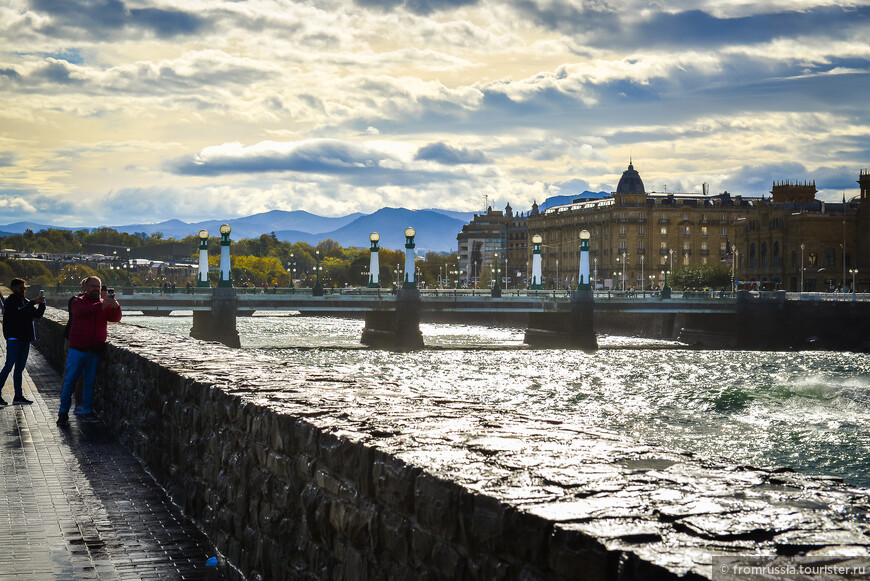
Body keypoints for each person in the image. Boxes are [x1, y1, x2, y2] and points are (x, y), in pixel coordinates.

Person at [57, 276, 122, 425]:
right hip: (78, 349)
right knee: (70, 381)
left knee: (89, 382)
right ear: (85, 287)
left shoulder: (102, 304)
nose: (96, 289)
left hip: (95, 349)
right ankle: (63, 412)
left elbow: (116, 318)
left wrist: (115, 306)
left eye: (98, 287)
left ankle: (87, 411)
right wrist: (101, 306)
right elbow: (81, 312)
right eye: (93, 286)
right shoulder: (77, 301)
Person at [0, 278, 46, 406]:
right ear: (14, 288)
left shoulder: (24, 301)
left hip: (25, 339)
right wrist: (32, 302)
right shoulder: (10, 301)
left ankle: (18, 396)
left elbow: (37, 315)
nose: (23, 290)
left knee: (19, 369)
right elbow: (17, 314)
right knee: (9, 366)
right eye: (21, 288)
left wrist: (42, 303)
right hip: (14, 338)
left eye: (24, 288)